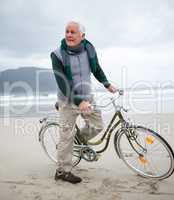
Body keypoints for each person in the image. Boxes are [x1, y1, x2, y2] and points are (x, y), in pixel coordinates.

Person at [50, 21, 117, 184]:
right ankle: (62, 171)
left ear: (82, 36)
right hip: (67, 100)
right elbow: (63, 83)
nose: (69, 35)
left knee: (97, 125)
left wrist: (106, 83)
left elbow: (96, 68)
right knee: (66, 136)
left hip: (87, 97)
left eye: (73, 32)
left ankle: (77, 141)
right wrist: (78, 102)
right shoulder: (57, 54)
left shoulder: (89, 49)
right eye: (67, 31)